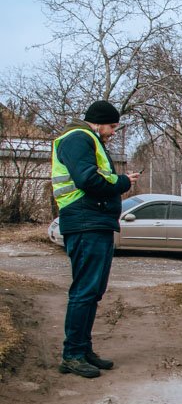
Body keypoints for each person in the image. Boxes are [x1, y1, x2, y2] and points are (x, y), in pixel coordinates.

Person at [51, 100, 140, 378]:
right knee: (85, 291)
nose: (113, 132)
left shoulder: (87, 139)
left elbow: (94, 177)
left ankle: (82, 348)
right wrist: (123, 182)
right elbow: (88, 180)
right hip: (85, 220)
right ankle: (73, 355)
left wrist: (118, 182)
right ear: (99, 122)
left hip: (93, 221)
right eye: (112, 126)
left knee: (92, 291)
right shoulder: (79, 138)